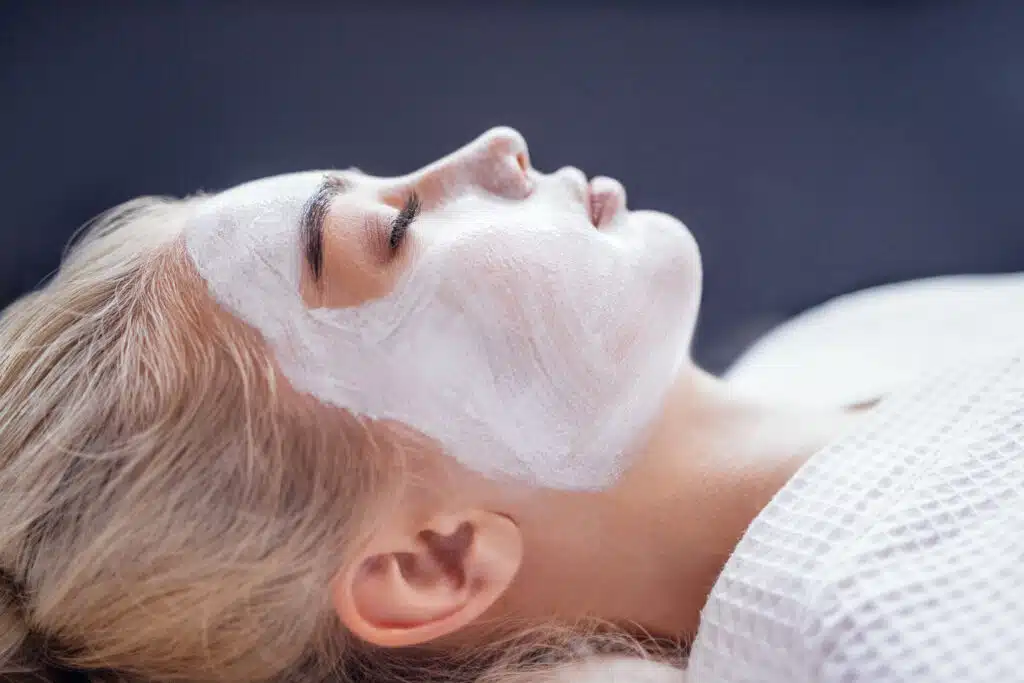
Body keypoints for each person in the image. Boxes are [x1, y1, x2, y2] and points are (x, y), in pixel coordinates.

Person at [0, 127, 1019, 683]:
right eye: (394, 229)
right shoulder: (902, 633)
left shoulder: (842, 344)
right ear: (431, 562)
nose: (496, 148)